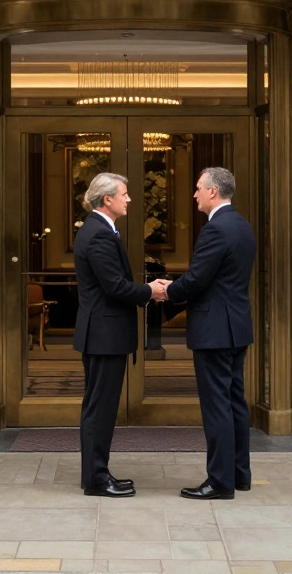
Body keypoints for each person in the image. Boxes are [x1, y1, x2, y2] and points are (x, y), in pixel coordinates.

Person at [153, 167, 256, 500]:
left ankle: (220, 482)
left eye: (198, 188)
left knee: (217, 407)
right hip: (236, 326)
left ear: (213, 191)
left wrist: (168, 291)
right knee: (234, 402)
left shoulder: (215, 230)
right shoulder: (242, 225)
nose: (195, 194)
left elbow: (197, 280)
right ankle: (239, 474)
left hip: (215, 330)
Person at [73, 172, 167, 498]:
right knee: (100, 409)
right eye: (124, 194)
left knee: (102, 408)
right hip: (103, 334)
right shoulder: (98, 234)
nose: (129, 199)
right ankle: (97, 479)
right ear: (107, 199)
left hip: (105, 333)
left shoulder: (102, 230)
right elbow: (114, 287)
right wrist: (149, 291)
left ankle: (98, 473)